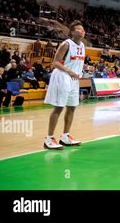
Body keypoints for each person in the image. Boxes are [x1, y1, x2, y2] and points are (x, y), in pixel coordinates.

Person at [43, 21, 86, 150]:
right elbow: (55, 62)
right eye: (79, 29)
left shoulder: (83, 45)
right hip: (62, 76)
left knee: (72, 107)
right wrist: (69, 71)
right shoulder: (66, 44)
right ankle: (49, 139)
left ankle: (65, 136)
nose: (82, 31)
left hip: (74, 79)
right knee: (59, 108)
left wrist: (80, 71)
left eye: (83, 29)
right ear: (72, 32)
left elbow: (78, 62)